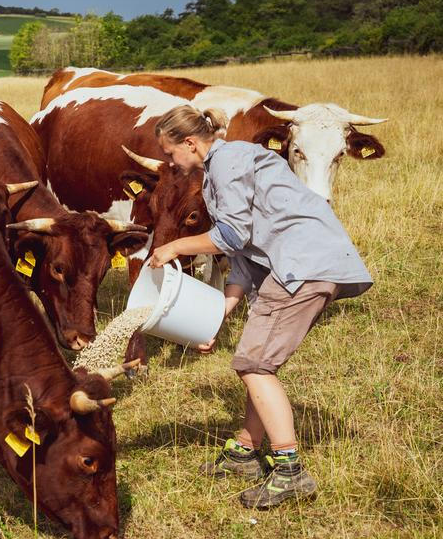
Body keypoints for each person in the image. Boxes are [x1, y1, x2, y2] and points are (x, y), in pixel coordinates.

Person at [147, 105, 373, 509]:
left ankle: (289, 470)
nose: (170, 162)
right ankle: (245, 451)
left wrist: (176, 246)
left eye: (170, 154)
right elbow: (244, 262)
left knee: (254, 366)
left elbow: (231, 236)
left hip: (300, 267)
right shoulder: (228, 165)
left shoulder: (229, 161)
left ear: (190, 143)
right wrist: (217, 314)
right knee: (254, 358)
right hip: (296, 266)